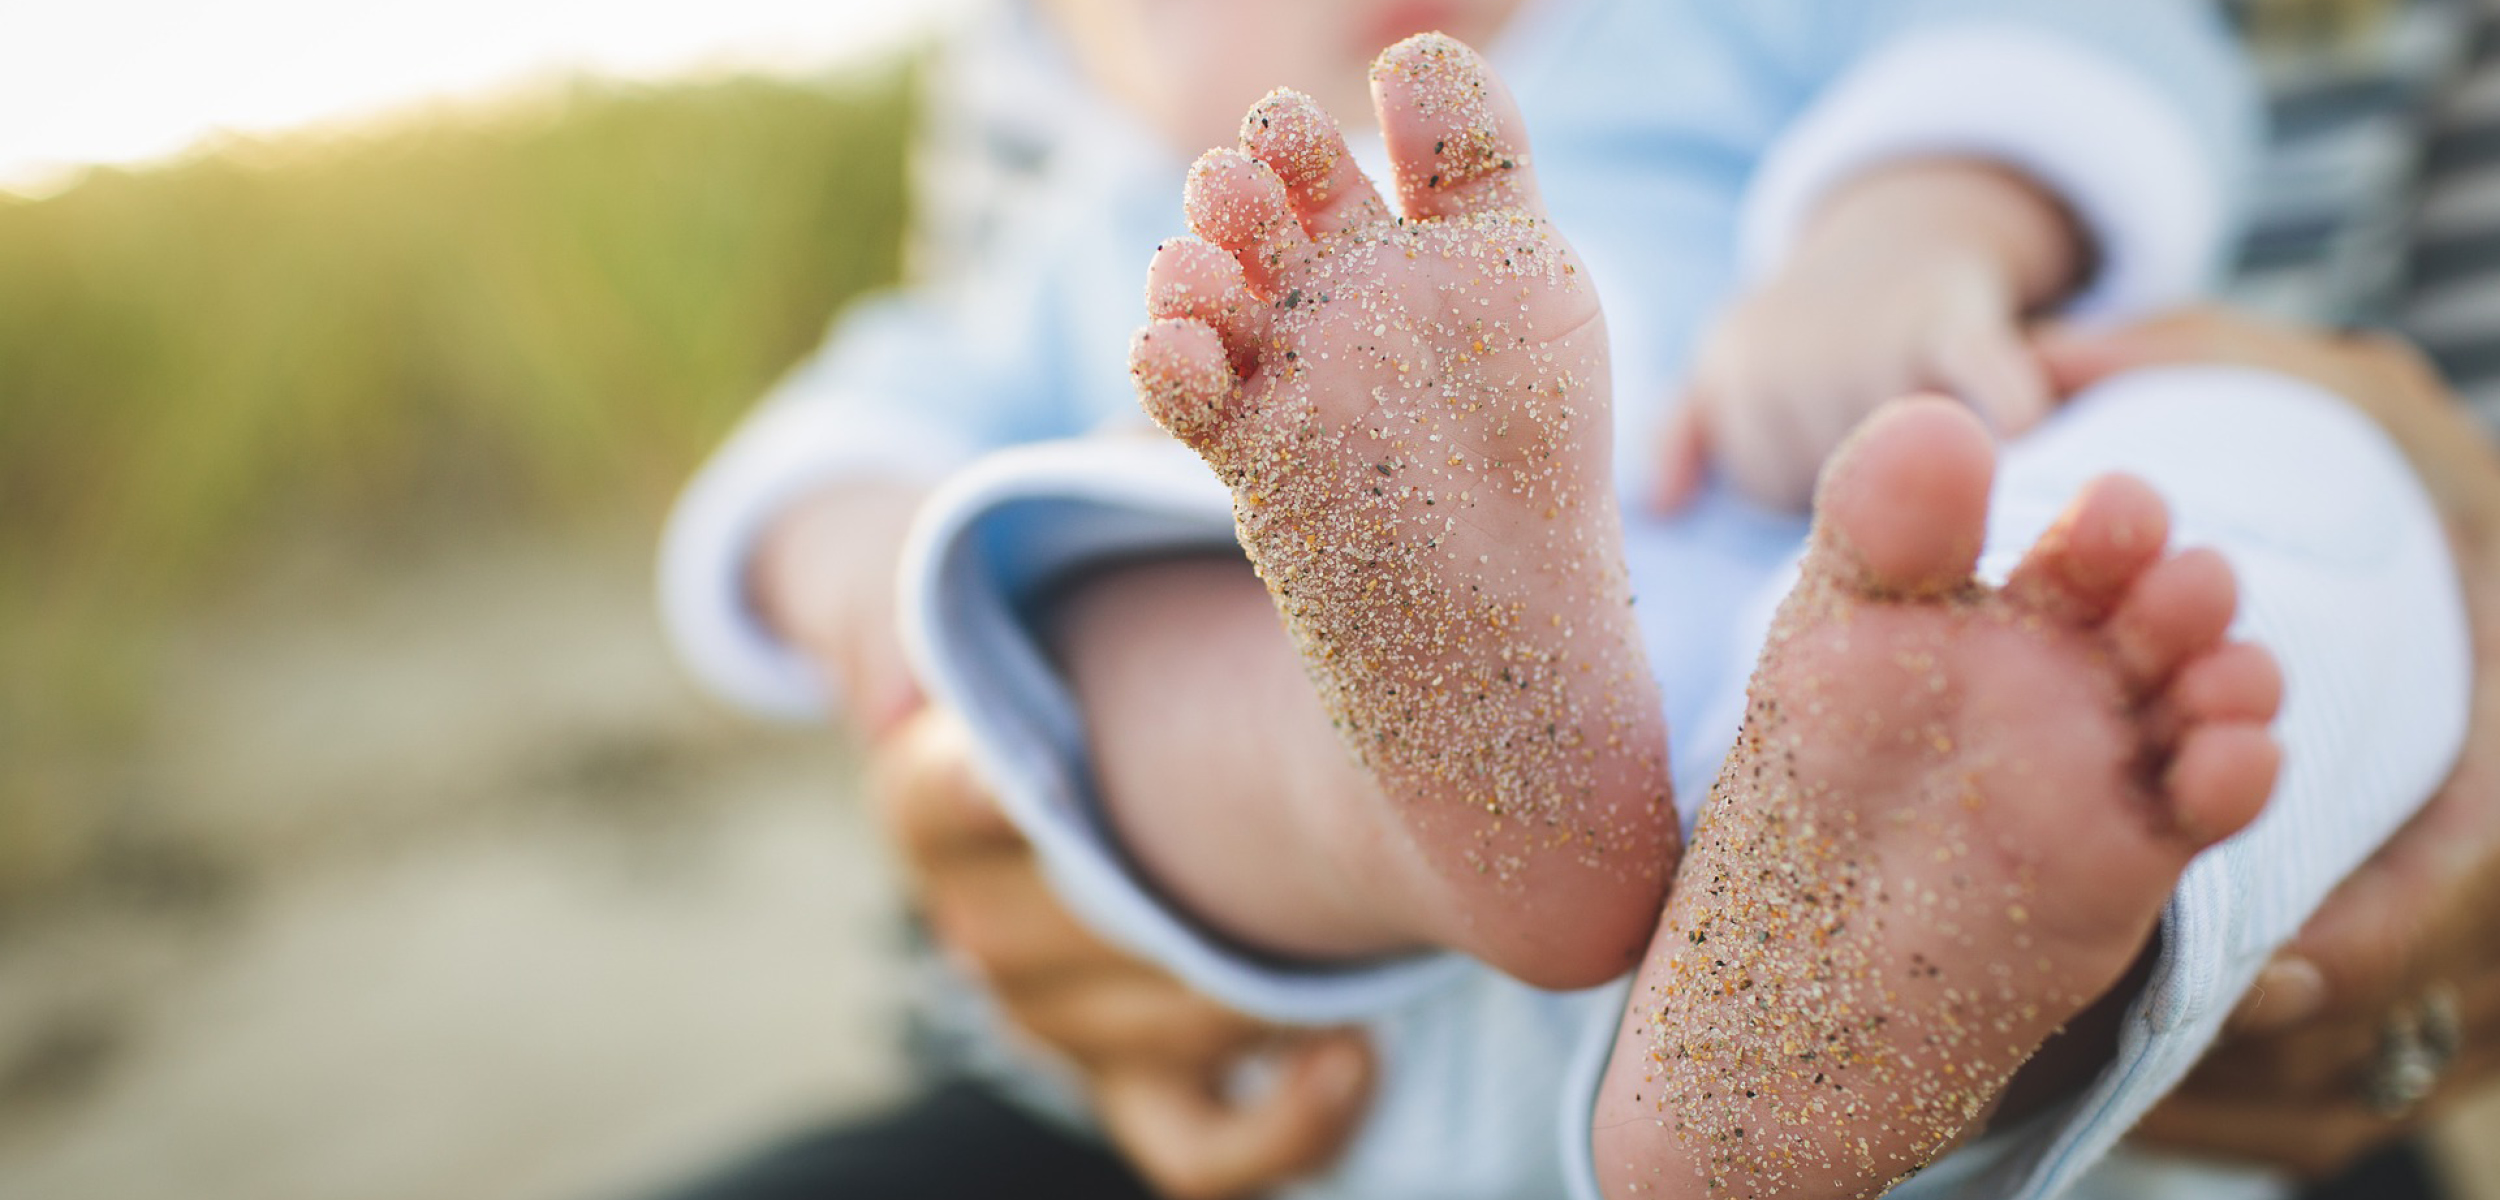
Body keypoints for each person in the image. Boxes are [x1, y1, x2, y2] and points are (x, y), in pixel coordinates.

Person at [658, 1, 2461, 1197]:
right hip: (1357, 1015)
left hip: (1873, 728)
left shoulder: (1735, 31)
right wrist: (880, 593)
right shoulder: (1115, 239)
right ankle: (1420, 777)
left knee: (2284, 450)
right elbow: (831, 453)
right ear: (1083, 48)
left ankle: (1879, 989)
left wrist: (1909, 235)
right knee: (1102, 586)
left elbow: (2074, 51)